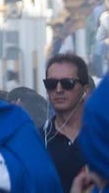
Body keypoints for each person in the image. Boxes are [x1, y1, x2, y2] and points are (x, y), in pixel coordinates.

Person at [44, 54, 93, 191]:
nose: (58, 90)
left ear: (86, 90)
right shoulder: (37, 140)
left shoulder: (101, 137)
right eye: (51, 84)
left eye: (68, 83)